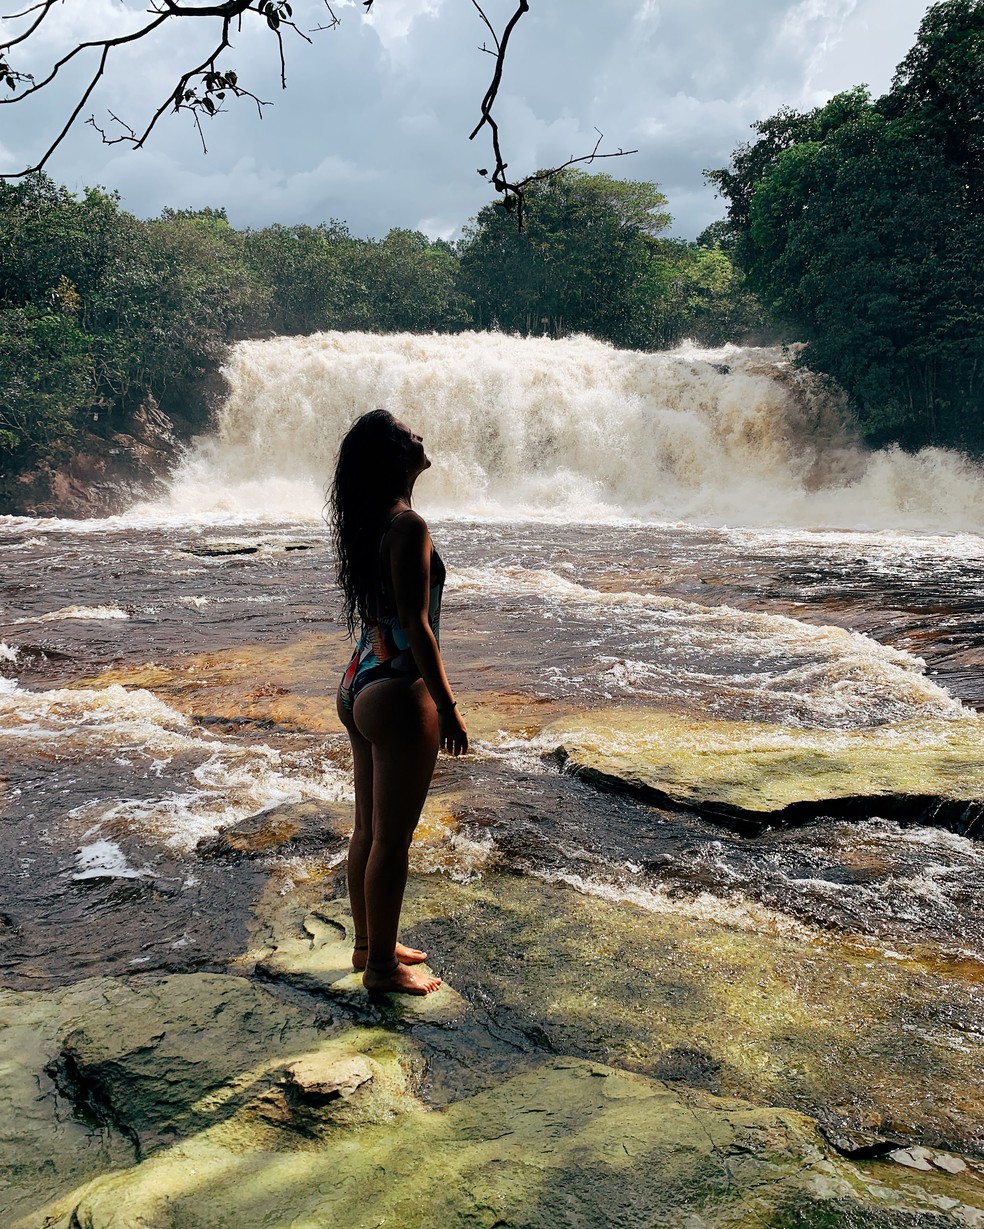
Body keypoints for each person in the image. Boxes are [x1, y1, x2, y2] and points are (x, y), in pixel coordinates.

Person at [330, 409, 468, 995]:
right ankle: (384, 972)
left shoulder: (366, 523)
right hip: (399, 690)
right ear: (394, 457)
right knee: (393, 838)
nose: (421, 437)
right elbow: (417, 626)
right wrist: (449, 705)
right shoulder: (408, 525)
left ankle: (368, 946)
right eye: (411, 434)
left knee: (367, 828)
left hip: (359, 680)